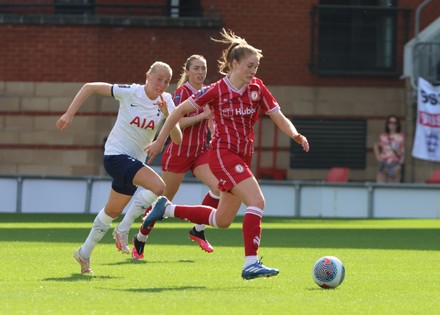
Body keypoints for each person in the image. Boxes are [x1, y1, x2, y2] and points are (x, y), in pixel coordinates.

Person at [142, 29, 309, 280]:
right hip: (222, 154)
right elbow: (177, 112)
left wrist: (295, 135)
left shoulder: (257, 89)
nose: (253, 71)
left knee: (222, 220)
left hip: (242, 157)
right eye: (249, 66)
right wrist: (159, 141)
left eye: (256, 66)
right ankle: (251, 263)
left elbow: (278, 116)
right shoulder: (217, 90)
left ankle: (166, 210)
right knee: (257, 201)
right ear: (234, 64)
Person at [56, 61, 182, 275]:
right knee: (160, 187)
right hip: (115, 156)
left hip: (133, 164)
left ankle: (84, 253)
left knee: (111, 211)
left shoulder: (167, 101)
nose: (161, 84)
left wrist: (167, 113)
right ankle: (124, 229)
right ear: (147, 77)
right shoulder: (130, 92)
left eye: (166, 81)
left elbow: (177, 139)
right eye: (158, 79)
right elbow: (90, 86)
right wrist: (69, 114)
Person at [115, 55, 220, 259]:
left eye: (204, 69)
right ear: (187, 71)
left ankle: (198, 229)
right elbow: (176, 123)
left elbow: (210, 120)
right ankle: (141, 238)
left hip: (199, 152)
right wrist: (202, 116)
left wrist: (212, 125)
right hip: (179, 153)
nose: (200, 72)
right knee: (163, 201)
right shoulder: (181, 93)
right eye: (196, 68)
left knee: (219, 188)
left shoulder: (207, 92)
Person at [374, 115, 405, 183]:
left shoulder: (401, 137)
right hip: (383, 165)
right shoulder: (383, 136)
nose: (392, 124)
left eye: (394, 123)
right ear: (387, 124)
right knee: (380, 189)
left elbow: (402, 153)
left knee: (392, 190)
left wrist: (400, 163)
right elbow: (376, 145)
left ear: (397, 125)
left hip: (394, 166)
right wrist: (378, 158)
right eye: (390, 122)